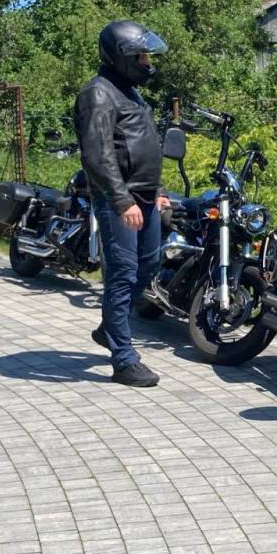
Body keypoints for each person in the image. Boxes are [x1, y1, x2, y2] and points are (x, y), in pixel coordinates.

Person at [75, 20, 168, 388]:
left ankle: (109, 328)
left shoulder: (130, 92)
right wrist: (120, 199)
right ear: (121, 56)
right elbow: (97, 156)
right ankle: (124, 360)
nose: (147, 62)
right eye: (141, 56)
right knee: (123, 273)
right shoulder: (98, 94)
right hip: (120, 201)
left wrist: (157, 189)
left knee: (149, 265)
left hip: (146, 197)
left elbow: (145, 145)